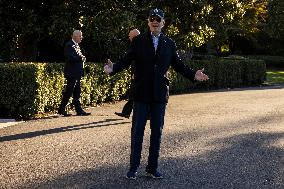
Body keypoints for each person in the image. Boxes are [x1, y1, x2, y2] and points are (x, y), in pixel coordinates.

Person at [104, 8, 209, 180]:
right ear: (148, 22)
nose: (155, 21)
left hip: (159, 95)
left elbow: (179, 65)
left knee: (157, 132)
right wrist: (113, 68)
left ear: (163, 23)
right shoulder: (138, 41)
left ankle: (152, 168)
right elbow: (126, 60)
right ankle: (133, 167)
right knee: (137, 131)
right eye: (152, 18)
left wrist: (193, 75)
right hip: (141, 93)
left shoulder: (170, 43)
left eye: (158, 19)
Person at [58, 30, 91, 116]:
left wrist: (81, 58)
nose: (81, 37)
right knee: (69, 92)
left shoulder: (76, 45)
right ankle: (61, 109)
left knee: (77, 92)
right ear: (74, 36)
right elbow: (70, 58)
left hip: (77, 73)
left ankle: (79, 110)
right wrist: (81, 58)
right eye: (80, 36)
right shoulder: (69, 45)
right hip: (72, 73)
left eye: (81, 36)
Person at [115, 28, 140, 119]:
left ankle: (146, 114)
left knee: (135, 95)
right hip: (136, 75)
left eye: (130, 36)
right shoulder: (136, 45)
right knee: (133, 94)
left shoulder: (139, 45)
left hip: (139, 76)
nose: (128, 37)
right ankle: (126, 112)